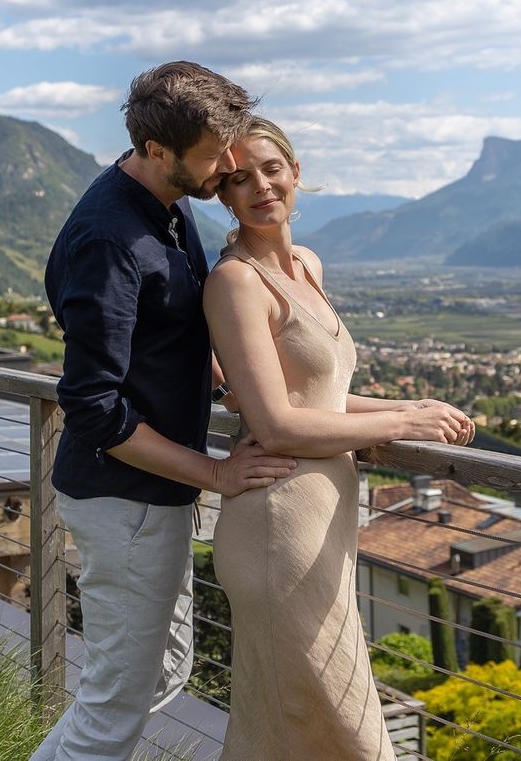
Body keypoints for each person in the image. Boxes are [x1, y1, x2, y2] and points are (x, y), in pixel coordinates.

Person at [32, 64, 298, 761]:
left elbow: (164, 327)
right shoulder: (111, 238)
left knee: (161, 670)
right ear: (156, 149)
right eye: (215, 156)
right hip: (125, 501)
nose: (229, 168)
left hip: (155, 497)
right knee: (114, 707)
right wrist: (213, 473)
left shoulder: (169, 205)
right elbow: (93, 406)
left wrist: (230, 376)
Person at [203, 118, 475, 761]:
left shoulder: (306, 265)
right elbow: (275, 424)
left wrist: (410, 405)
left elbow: (317, 396)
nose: (260, 187)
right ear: (223, 195)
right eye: (239, 178)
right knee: (345, 732)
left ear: (295, 174)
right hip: (278, 528)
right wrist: (400, 425)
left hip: (325, 527)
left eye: (271, 169)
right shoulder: (236, 283)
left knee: (287, 729)